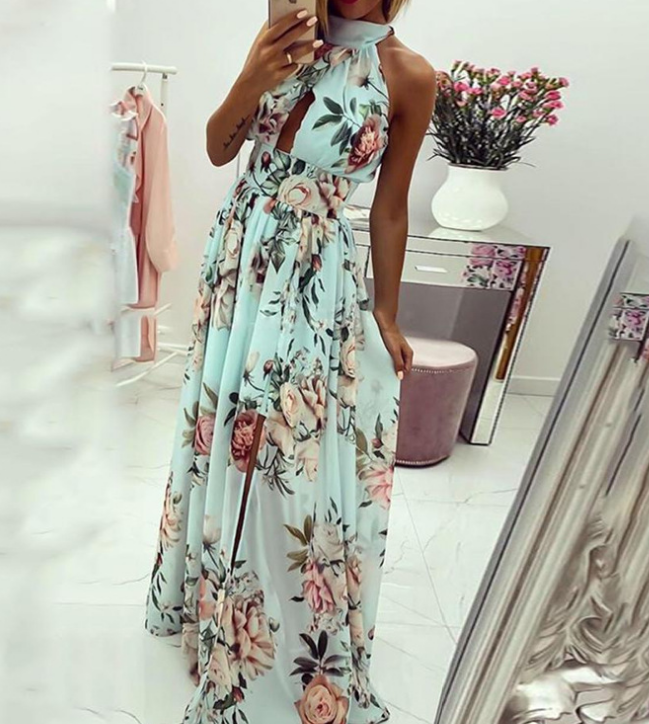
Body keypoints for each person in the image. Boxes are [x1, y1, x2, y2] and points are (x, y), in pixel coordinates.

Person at [146, 1, 436, 721]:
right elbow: (220, 148)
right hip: (239, 256)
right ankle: (213, 603)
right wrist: (256, 73)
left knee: (282, 450)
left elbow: (391, 207)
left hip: (312, 271)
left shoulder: (408, 75)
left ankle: (283, 632)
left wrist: (387, 312)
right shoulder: (284, 36)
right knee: (225, 431)